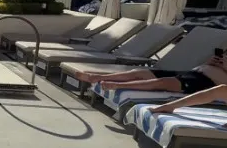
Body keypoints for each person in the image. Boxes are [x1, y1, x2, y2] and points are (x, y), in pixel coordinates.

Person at [82, 53, 227, 95]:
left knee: (162, 82)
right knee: (141, 72)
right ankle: (99, 77)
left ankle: (117, 85)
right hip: (192, 72)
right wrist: (210, 62)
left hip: (204, 82)